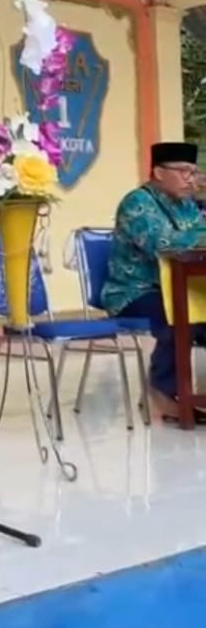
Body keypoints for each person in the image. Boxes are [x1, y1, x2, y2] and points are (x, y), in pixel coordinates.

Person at [101, 143, 206, 422]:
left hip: (181, 287)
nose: (191, 179)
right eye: (184, 171)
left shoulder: (186, 205)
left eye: (194, 172)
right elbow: (162, 244)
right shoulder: (136, 203)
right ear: (159, 172)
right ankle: (162, 392)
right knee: (181, 316)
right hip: (134, 292)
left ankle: (195, 394)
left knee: (194, 309)